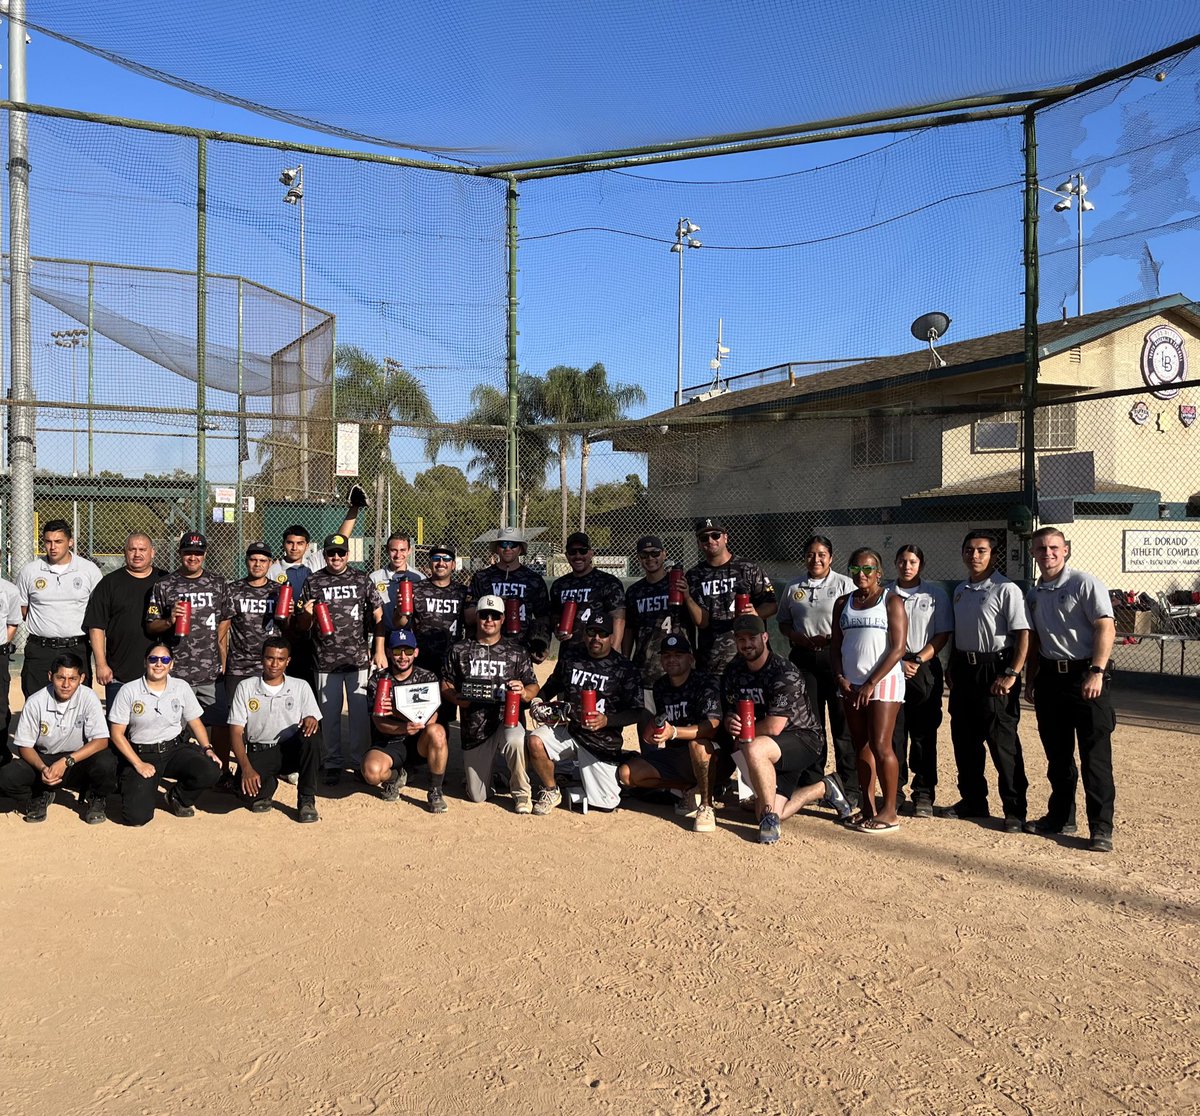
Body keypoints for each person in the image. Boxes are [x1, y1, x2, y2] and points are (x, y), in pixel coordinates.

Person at [1024, 527, 1117, 853]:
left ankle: (1101, 828)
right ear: (1033, 553)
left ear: (1066, 551)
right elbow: (1035, 640)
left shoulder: (1084, 583)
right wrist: (1032, 678)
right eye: (1040, 549)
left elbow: (1106, 626)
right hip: (1051, 679)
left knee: (1095, 757)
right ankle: (1061, 817)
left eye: (1053, 547)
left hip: (1085, 676)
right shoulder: (1034, 594)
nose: (1047, 553)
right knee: (1058, 756)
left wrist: (1096, 671)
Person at [721, 615, 848, 844]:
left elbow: (774, 726)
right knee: (761, 808)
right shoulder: (734, 670)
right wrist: (730, 720)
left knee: (753, 747)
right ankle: (822, 788)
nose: (747, 643)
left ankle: (768, 818)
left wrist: (743, 734)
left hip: (802, 739)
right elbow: (731, 708)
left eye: (752, 638)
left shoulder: (783, 671)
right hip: (767, 744)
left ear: (765, 637)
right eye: (741, 639)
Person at [944, 529, 1030, 832]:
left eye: (981, 550)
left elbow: (1022, 634)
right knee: (965, 740)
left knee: (1002, 742)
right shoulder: (960, 590)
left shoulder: (1006, 590)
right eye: (969, 549)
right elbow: (958, 632)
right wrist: (951, 665)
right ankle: (973, 800)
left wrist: (1012, 673)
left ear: (994, 555)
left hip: (995, 670)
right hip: (965, 671)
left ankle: (1014, 809)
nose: (974, 555)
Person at [526, 612, 643, 814]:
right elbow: (554, 683)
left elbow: (637, 711)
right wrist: (538, 699)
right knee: (535, 741)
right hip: (570, 728)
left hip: (602, 740)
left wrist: (608, 720)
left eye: (602, 634)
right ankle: (551, 789)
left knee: (605, 805)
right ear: (585, 634)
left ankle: (623, 760)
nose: (596, 638)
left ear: (612, 637)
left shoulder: (624, 668)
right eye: (591, 632)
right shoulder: (572, 656)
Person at [776, 534, 858, 808]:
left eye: (822, 554)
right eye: (811, 554)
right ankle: (814, 781)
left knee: (842, 722)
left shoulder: (845, 584)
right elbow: (784, 623)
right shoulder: (793, 586)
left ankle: (849, 783)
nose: (816, 559)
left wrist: (834, 639)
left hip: (836, 658)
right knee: (811, 723)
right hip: (804, 659)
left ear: (831, 557)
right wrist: (798, 638)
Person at [297, 533, 385, 784]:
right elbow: (304, 625)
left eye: (341, 553)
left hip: (356, 658)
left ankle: (359, 761)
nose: (336, 557)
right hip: (324, 659)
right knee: (329, 713)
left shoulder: (361, 579)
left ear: (348, 554)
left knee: (358, 716)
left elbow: (378, 614)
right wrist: (306, 614)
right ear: (324, 555)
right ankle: (332, 761)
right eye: (331, 553)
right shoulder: (313, 581)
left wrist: (378, 649)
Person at [831, 548, 908, 833]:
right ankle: (867, 806)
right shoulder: (842, 603)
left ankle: (889, 811)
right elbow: (836, 646)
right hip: (851, 685)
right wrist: (841, 677)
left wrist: (871, 683)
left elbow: (898, 648)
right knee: (860, 745)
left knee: (880, 744)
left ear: (879, 573)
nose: (861, 575)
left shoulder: (892, 600)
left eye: (867, 569)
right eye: (855, 569)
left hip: (882, 683)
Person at [441, 594, 537, 812]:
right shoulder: (459, 649)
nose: (489, 620)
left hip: (507, 720)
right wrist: (457, 698)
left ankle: (522, 793)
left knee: (515, 740)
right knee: (477, 796)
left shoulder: (516, 651)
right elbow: (445, 682)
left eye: (495, 615)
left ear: (503, 619)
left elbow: (533, 685)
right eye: (485, 615)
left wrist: (523, 692)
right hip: (475, 728)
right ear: (477, 617)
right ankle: (490, 776)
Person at [107, 641, 221, 825]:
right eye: (153, 659)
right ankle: (129, 786)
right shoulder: (129, 690)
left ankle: (178, 797)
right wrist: (138, 764)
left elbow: (196, 723)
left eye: (165, 659)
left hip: (174, 750)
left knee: (211, 770)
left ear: (171, 664)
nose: (159, 664)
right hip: (143, 754)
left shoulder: (181, 687)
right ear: (145, 662)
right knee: (136, 817)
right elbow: (116, 734)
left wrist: (207, 748)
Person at [618, 632, 721, 833]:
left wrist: (674, 732)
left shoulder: (705, 682)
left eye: (678, 655)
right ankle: (688, 790)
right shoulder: (661, 686)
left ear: (690, 659)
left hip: (713, 755)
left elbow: (712, 726)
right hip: (678, 757)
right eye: (666, 655)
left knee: (697, 745)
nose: (672, 659)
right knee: (627, 774)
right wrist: (653, 730)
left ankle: (706, 806)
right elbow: (662, 720)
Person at [146, 531, 234, 767]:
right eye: (188, 553)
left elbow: (226, 616)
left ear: (204, 555)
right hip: (176, 672)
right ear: (180, 554)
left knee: (221, 723)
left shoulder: (218, 583)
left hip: (209, 671)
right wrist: (168, 621)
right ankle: (174, 770)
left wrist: (218, 643)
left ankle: (222, 771)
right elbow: (151, 625)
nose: (193, 557)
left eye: (198, 553)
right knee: (173, 726)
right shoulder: (164, 585)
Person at [0, 652, 117, 824]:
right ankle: (39, 794)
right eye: (60, 678)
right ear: (50, 676)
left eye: (72, 679)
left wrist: (66, 761)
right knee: (6, 776)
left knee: (107, 761)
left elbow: (101, 740)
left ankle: (96, 797)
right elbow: (24, 746)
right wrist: (42, 768)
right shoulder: (35, 701)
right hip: (45, 759)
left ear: (82, 678)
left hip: (78, 759)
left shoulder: (89, 697)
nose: (66, 685)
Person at [888, 544, 953, 818]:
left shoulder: (935, 594)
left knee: (924, 733)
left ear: (921, 565)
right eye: (902, 561)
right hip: (891, 667)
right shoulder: (885, 594)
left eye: (912, 561)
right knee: (895, 733)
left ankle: (924, 792)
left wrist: (917, 660)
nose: (907, 566)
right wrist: (898, 661)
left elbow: (942, 634)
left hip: (923, 666)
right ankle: (895, 792)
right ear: (895, 563)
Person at [227, 637, 322, 823]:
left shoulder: (300, 686)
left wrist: (311, 719)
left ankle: (306, 799)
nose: (274, 664)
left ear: (288, 661)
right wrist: (246, 768)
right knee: (244, 792)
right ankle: (268, 785)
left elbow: (312, 717)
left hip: (290, 750)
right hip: (260, 751)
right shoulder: (245, 687)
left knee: (313, 736)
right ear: (262, 659)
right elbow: (235, 732)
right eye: (270, 658)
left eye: (280, 659)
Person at [363, 629, 449, 812]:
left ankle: (435, 790)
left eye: (408, 651)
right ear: (388, 652)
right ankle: (395, 777)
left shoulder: (427, 678)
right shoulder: (378, 680)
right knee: (371, 772)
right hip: (390, 740)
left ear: (416, 652)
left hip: (419, 738)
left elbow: (431, 718)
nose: (403, 657)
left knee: (438, 732)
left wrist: (396, 711)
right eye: (397, 651)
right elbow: (379, 722)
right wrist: (403, 727)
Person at [16, 519, 102, 695]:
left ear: (70, 542)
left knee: (78, 703)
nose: (53, 547)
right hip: (40, 649)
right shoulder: (30, 571)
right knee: (36, 701)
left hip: (76, 647)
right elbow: (23, 609)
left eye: (58, 541)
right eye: (48, 542)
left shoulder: (88, 570)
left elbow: (98, 611)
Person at [684, 516, 777, 678]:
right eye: (704, 538)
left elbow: (772, 605)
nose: (710, 540)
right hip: (712, 662)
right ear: (699, 543)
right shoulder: (694, 576)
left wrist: (755, 613)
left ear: (725, 537)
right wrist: (687, 597)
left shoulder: (748, 568)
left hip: (751, 659)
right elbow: (702, 621)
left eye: (715, 535)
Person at [85, 532, 166, 711]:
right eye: (132, 549)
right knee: (118, 729)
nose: (137, 554)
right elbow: (96, 625)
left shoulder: (165, 581)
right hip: (119, 673)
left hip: (158, 671)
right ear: (125, 552)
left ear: (152, 552)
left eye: (142, 549)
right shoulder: (109, 583)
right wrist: (101, 664)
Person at [465, 527, 551, 663]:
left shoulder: (533, 580)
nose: (508, 548)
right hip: (486, 648)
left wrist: (542, 642)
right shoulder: (482, 577)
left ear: (521, 549)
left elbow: (544, 616)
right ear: (497, 548)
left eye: (513, 544)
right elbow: (468, 615)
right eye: (503, 544)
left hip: (521, 648)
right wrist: (493, 606)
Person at [409, 544, 468, 732]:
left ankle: (440, 758)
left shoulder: (462, 592)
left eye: (446, 559)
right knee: (418, 711)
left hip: (450, 663)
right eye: (436, 559)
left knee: (443, 717)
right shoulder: (416, 589)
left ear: (453, 565)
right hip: (422, 661)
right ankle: (415, 759)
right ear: (429, 563)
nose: (441, 563)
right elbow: (402, 623)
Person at [621, 535, 679, 709]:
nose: (650, 559)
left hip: (677, 667)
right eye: (644, 555)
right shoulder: (634, 591)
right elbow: (629, 628)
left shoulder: (677, 585)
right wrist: (625, 660)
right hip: (646, 668)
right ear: (638, 558)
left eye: (654, 553)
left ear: (664, 554)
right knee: (647, 727)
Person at [223, 542, 285, 704]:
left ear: (270, 563)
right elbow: (221, 632)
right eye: (253, 560)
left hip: (270, 667)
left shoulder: (279, 591)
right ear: (246, 561)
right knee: (236, 719)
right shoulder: (233, 590)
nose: (257, 564)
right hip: (239, 667)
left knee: (269, 719)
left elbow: (289, 630)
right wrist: (223, 665)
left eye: (263, 561)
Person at [548, 531, 626, 654]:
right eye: (572, 552)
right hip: (569, 654)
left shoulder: (608, 582)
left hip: (597, 653)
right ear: (567, 555)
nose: (578, 556)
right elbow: (554, 615)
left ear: (591, 553)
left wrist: (613, 654)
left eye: (582, 551)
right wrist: (557, 628)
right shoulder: (559, 585)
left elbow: (618, 619)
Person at [370, 531, 426, 638]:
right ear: (387, 550)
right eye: (393, 550)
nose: (398, 555)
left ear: (409, 551)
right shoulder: (375, 578)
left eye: (402, 550)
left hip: (410, 640)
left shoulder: (419, 579)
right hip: (383, 638)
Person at [0, 566, 23, 760]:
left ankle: (1, 749)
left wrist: (2, 645)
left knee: (0, 703)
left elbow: (13, 622)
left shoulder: (9, 590)